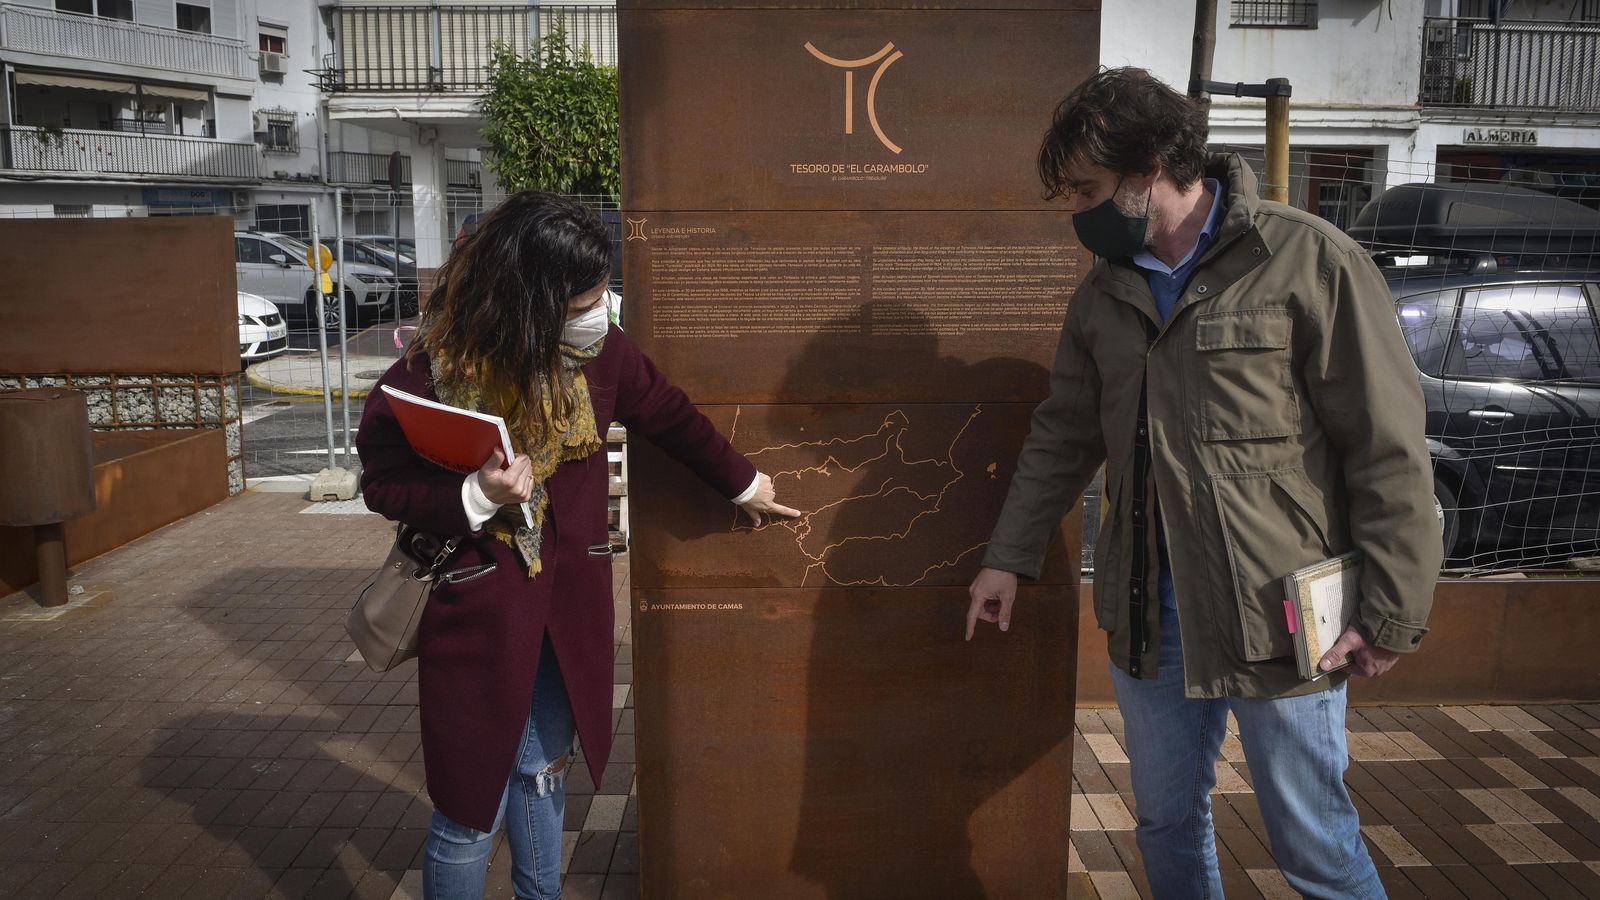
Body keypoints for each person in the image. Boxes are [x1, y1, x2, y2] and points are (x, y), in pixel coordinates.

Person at [964, 68, 1442, 898]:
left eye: (1088, 189)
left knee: (1314, 845)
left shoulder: (1306, 260)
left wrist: (1394, 612)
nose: (1077, 212)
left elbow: (1387, 448)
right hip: (1150, 614)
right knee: (1165, 825)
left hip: (1280, 618)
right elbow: (1062, 437)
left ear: (1151, 166)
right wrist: (1007, 556)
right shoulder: (1104, 295)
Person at [357, 191, 798, 899]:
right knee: (470, 809)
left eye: (601, 294)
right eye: (584, 302)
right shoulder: (438, 368)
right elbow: (381, 479)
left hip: (567, 612)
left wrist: (743, 485)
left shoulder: (600, 354)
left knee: (542, 772)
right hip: (479, 614)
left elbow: (669, 414)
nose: (601, 312)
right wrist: (476, 497)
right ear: (531, 304)